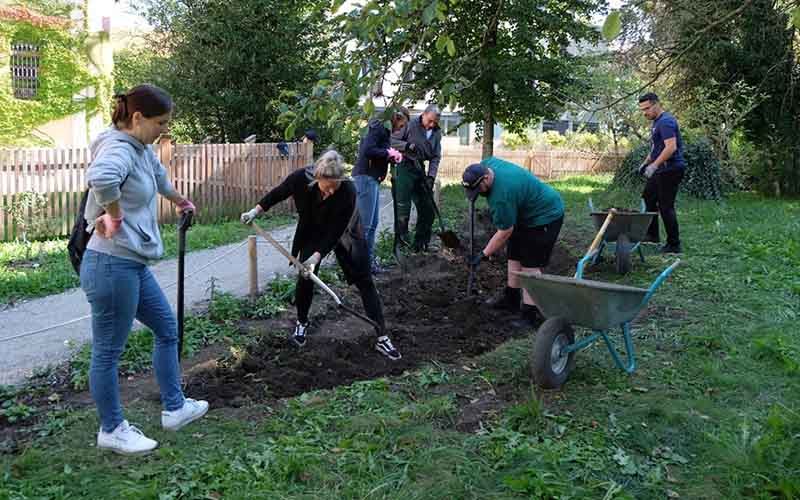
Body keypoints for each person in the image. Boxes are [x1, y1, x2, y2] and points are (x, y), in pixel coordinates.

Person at [81, 85, 208, 456]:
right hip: (110, 264)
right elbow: (102, 179)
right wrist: (115, 216)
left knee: (167, 329)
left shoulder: (140, 148)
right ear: (137, 118)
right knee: (107, 351)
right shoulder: (118, 147)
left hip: (130, 263)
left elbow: (158, 176)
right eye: (160, 123)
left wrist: (179, 199)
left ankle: (175, 408)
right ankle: (112, 429)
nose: (163, 131)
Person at [240, 150, 401, 360]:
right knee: (305, 277)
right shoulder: (300, 179)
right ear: (317, 179)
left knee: (364, 280)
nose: (332, 192)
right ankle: (301, 323)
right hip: (313, 230)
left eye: (336, 186)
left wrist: (316, 258)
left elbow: (335, 232)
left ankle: (382, 337)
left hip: (346, 233)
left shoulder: (348, 190)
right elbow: (278, 193)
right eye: (328, 187)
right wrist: (255, 211)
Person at [462, 157, 565, 328]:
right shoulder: (487, 165)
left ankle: (532, 314)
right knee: (514, 256)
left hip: (545, 216)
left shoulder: (501, 197)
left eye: (478, 189)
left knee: (530, 265)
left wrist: (483, 254)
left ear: (486, 179)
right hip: (524, 215)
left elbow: (504, 232)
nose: (478, 194)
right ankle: (511, 298)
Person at [352, 107, 408, 274]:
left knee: (373, 224)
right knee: (366, 226)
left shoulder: (384, 129)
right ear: (396, 118)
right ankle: (362, 266)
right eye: (401, 124)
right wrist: (387, 153)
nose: (401, 128)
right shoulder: (377, 127)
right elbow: (367, 150)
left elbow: (378, 152)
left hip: (372, 179)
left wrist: (391, 156)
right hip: (365, 178)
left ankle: (368, 263)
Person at [638, 92, 685, 254]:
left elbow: (671, 148)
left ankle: (674, 244)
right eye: (642, 110)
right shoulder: (656, 122)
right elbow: (656, 147)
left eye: (647, 108)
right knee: (648, 198)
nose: (645, 113)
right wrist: (645, 163)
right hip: (661, 168)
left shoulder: (666, 122)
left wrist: (654, 166)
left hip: (671, 169)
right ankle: (652, 235)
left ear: (656, 104)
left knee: (666, 206)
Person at [391, 104, 442, 252]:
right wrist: (406, 146)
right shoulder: (409, 125)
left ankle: (420, 245)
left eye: (435, 123)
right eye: (430, 121)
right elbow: (390, 141)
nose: (431, 125)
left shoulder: (437, 133)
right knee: (402, 209)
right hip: (404, 166)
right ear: (424, 115)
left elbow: (436, 156)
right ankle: (401, 245)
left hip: (420, 169)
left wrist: (431, 177)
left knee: (428, 208)